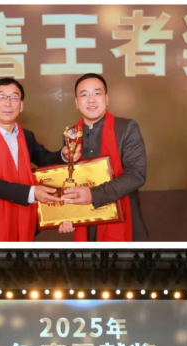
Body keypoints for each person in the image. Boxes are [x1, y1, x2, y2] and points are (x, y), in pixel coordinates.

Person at [0, 77, 78, 241]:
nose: (8, 103)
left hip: (25, 219)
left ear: (21, 105)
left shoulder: (27, 136)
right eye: (1, 96)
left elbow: (45, 159)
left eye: (14, 97)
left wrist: (64, 155)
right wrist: (33, 193)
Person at [58, 73, 148, 241]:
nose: (91, 99)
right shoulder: (71, 134)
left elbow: (136, 174)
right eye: (84, 94)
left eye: (97, 93)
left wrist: (93, 194)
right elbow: (68, 180)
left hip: (123, 219)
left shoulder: (126, 128)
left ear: (106, 98)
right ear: (76, 102)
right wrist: (66, 213)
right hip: (85, 222)